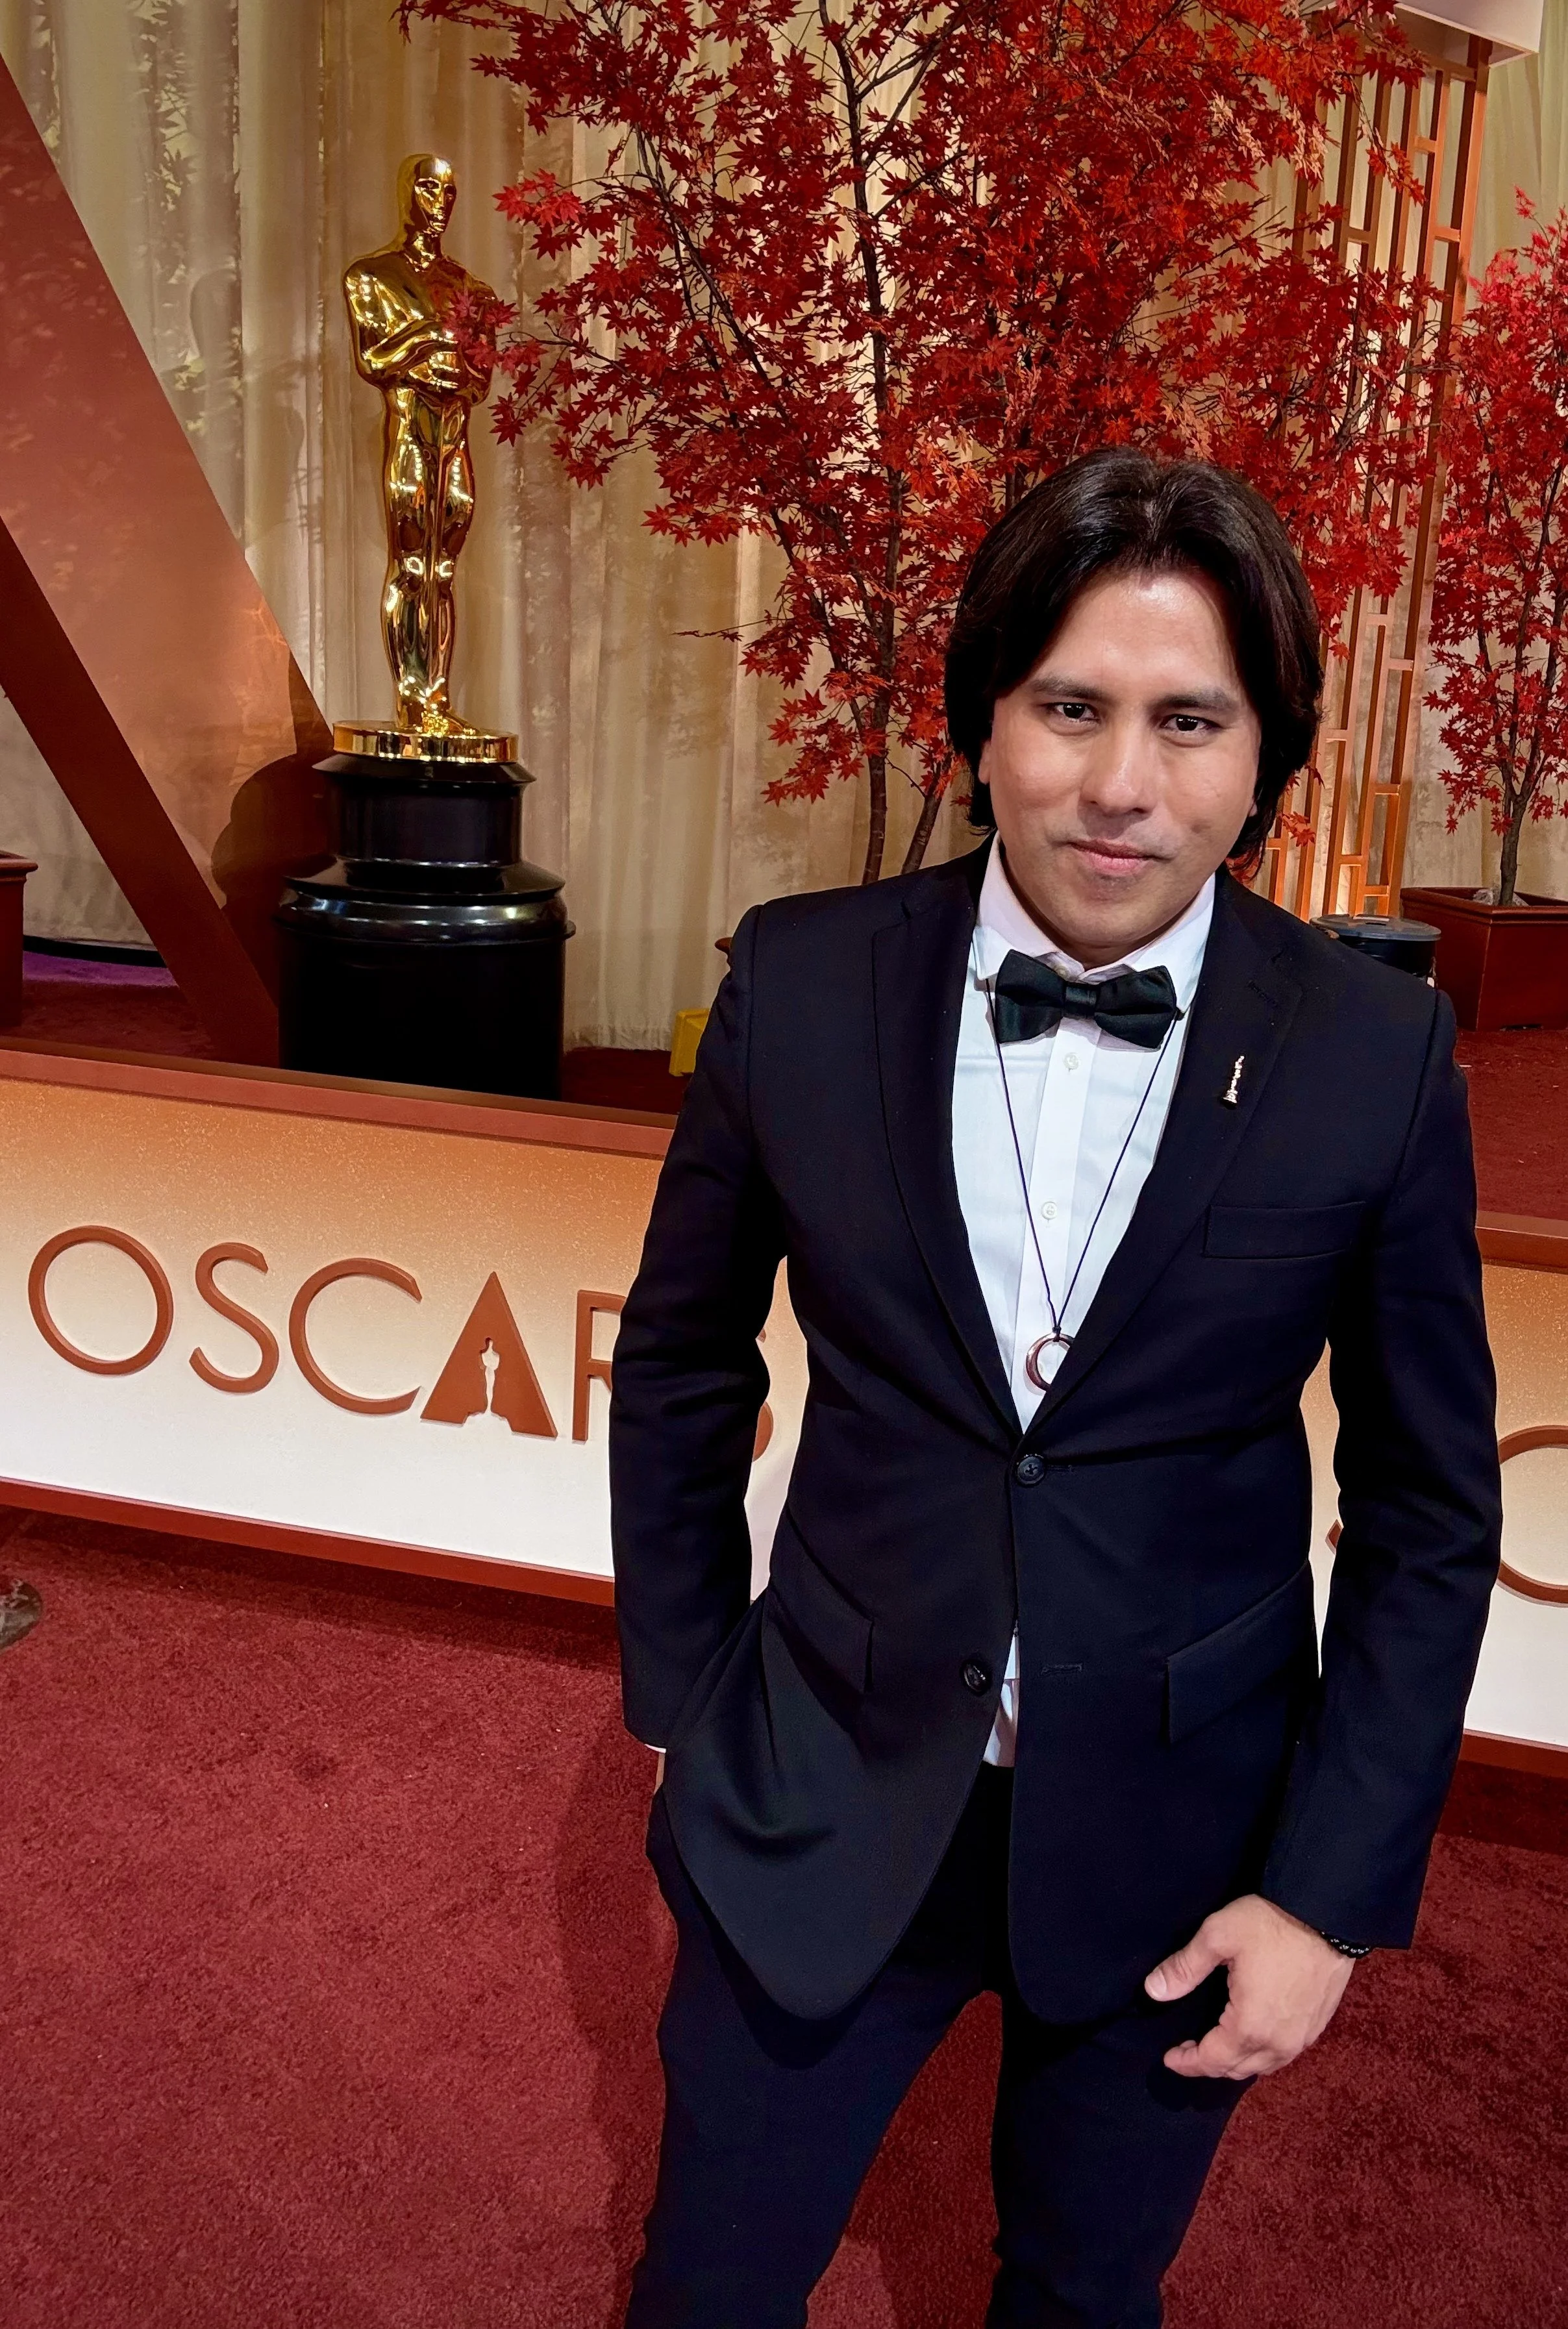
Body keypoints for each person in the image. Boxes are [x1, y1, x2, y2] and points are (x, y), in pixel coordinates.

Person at [608, 449, 1502, 2328]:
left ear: (1265, 759)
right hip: (826, 1773)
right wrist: (689, 1705)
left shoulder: (1374, 1054)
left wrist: (1326, 1892)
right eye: (1069, 709)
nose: (1120, 784)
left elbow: (1428, 1510)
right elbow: (681, 1362)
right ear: (980, 723)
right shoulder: (800, 978)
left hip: (1185, 1827)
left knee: (1082, 2299)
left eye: (1189, 722)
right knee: (705, 2284)